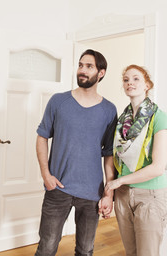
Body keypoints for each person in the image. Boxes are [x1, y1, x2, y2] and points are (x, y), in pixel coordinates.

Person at [34, 49, 118, 256]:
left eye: (89, 66)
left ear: (101, 73)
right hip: (58, 189)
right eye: (81, 65)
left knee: (85, 250)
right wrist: (46, 174)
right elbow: (42, 136)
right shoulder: (58, 101)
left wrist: (109, 192)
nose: (82, 70)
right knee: (46, 248)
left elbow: (109, 154)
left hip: (92, 193)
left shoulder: (109, 110)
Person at [101, 64, 167, 256]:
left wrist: (119, 181)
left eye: (136, 78)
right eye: (126, 80)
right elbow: (111, 156)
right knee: (131, 252)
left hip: (150, 196)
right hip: (123, 195)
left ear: (147, 84)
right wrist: (112, 188)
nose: (130, 82)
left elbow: (157, 167)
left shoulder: (159, 117)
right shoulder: (120, 121)